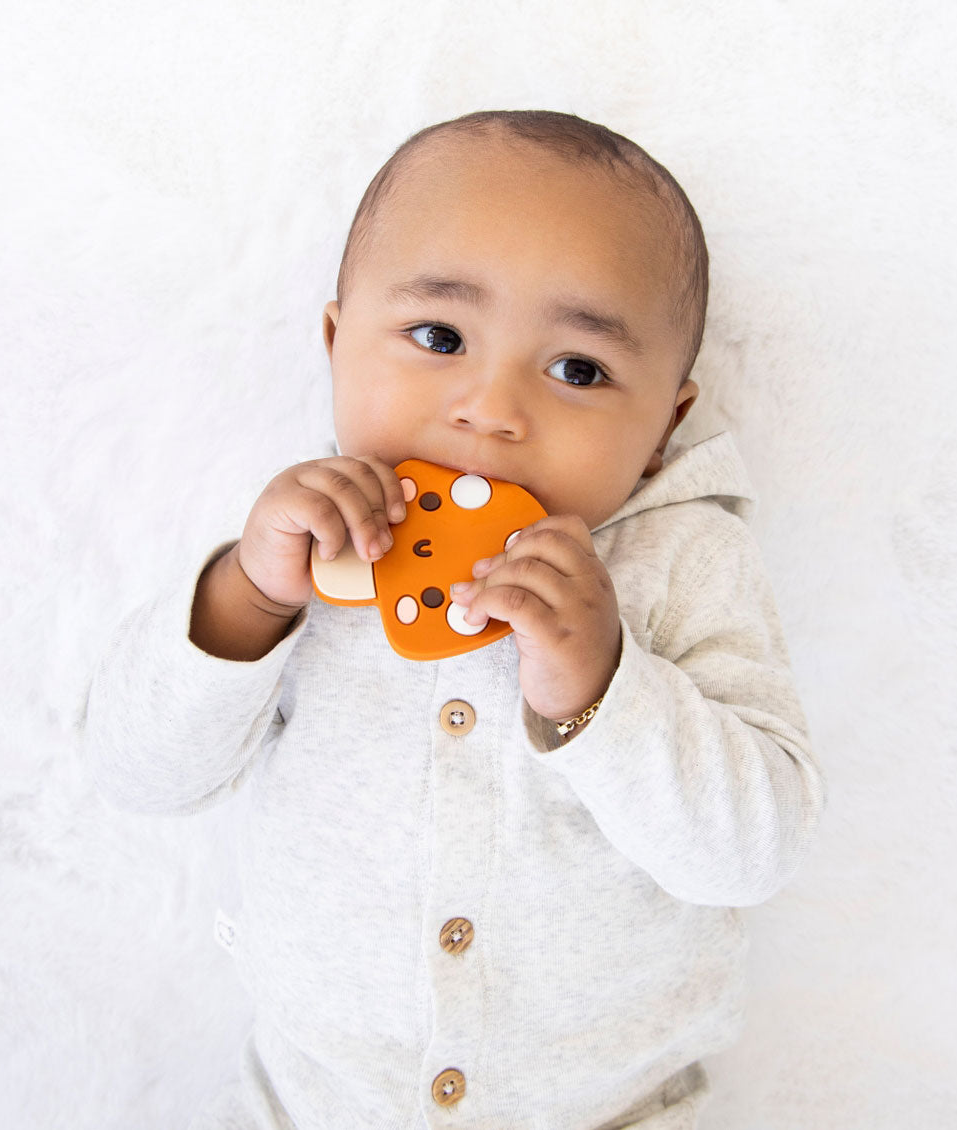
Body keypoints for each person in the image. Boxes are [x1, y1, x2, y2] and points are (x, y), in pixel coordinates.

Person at [84, 109, 825, 1129]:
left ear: (663, 427)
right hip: (314, 1101)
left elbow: (752, 851)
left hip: (611, 1106)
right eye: (438, 337)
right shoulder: (308, 548)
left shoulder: (682, 559)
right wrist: (245, 602)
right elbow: (135, 771)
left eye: (576, 368)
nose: (489, 406)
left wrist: (602, 687)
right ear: (339, 343)